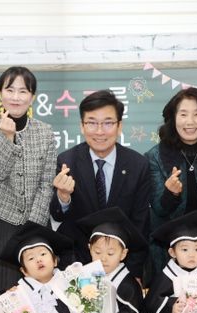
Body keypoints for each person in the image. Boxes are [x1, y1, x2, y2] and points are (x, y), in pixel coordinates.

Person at [50, 89, 150, 280]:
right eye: (92, 123)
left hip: (122, 269)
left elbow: (140, 224)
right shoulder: (67, 161)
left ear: (119, 126)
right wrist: (63, 196)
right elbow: (58, 216)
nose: (99, 131)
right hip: (77, 265)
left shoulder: (138, 165)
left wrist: (134, 274)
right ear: (82, 126)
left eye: (108, 123)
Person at [0, 66, 56, 292]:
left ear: (32, 97)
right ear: (0, 93)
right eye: (10, 90)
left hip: (35, 223)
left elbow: (46, 183)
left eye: (23, 91)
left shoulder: (45, 132)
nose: (16, 97)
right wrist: (7, 138)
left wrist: (33, 223)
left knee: (37, 291)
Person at [145, 88, 197, 279]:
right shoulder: (155, 156)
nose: (190, 122)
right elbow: (159, 209)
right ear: (173, 119)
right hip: (166, 250)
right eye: (183, 114)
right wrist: (171, 193)